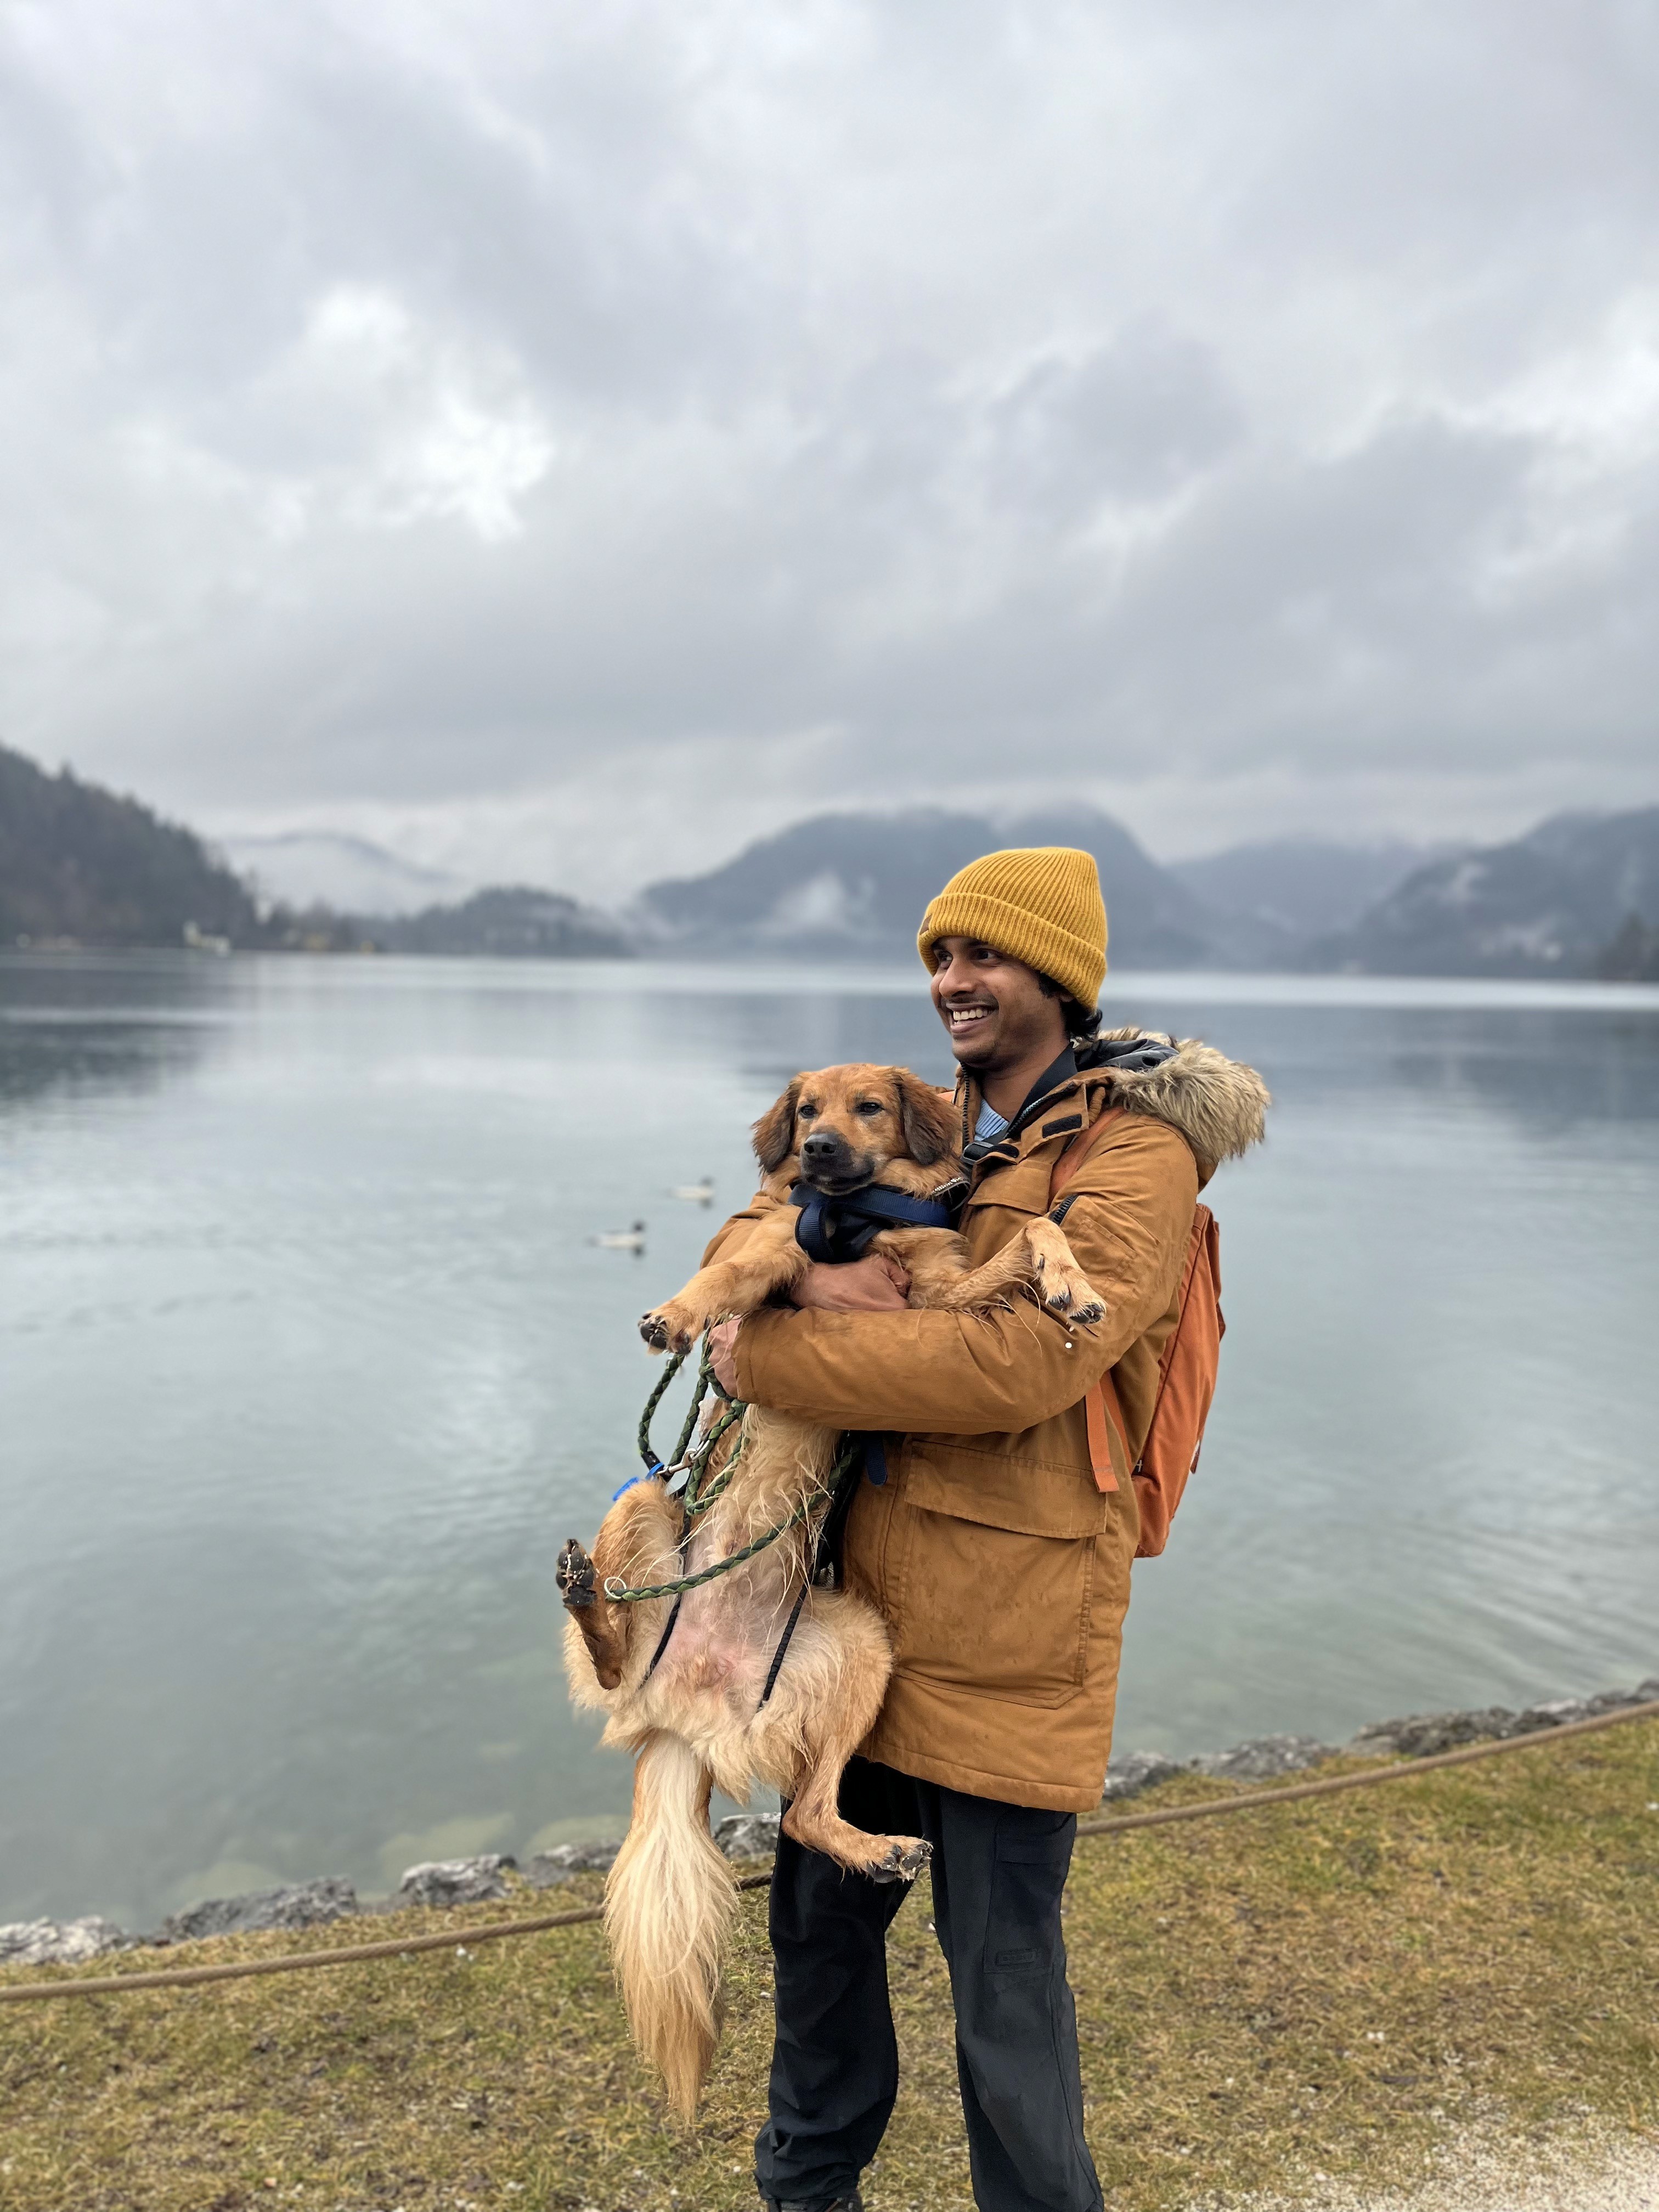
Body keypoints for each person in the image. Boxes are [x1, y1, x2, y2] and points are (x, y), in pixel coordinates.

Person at [703, 846, 1268, 2212]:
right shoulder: (931, 1122)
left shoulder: (1137, 1149)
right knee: (819, 1975)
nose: (951, 982)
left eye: (981, 957)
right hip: (858, 1636)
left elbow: (1018, 1367)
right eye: (937, 960)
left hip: (1013, 1639)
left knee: (1006, 2017)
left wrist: (761, 1358)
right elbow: (768, 1207)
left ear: (1058, 977)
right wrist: (757, 1284)